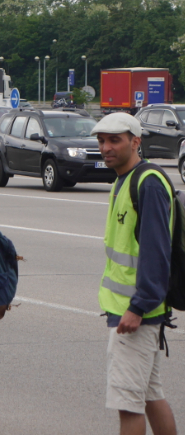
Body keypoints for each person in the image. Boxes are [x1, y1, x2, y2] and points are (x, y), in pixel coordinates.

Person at [92, 113, 177, 435]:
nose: (106, 148)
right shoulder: (123, 180)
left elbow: (157, 252)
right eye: (102, 141)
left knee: (128, 404)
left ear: (135, 141)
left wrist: (138, 306)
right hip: (130, 309)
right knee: (151, 395)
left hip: (135, 313)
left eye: (115, 140)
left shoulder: (147, 183)